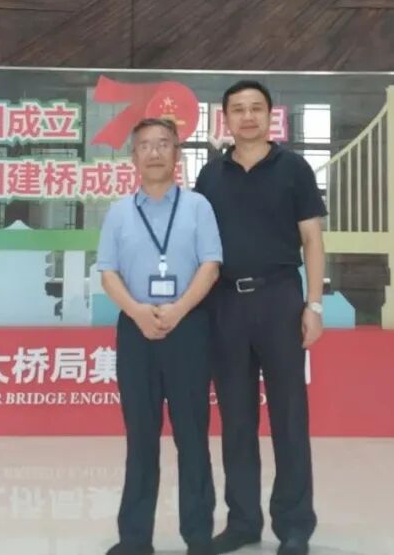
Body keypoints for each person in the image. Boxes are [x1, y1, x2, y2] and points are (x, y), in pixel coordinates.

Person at [195, 81, 326, 555]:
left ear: (271, 115)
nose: (247, 116)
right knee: (236, 418)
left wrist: (313, 305)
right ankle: (243, 522)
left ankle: (294, 525)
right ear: (226, 118)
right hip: (225, 303)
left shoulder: (294, 168)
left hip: (279, 299)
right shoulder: (210, 175)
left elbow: (312, 240)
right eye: (238, 109)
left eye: (256, 108)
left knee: (289, 415)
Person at [97, 117, 224, 555]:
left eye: (163, 144)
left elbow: (210, 265)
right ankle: (134, 538)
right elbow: (108, 273)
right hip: (136, 330)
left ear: (177, 154)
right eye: (145, 146)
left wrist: (178, 309)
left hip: (189, 328)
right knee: (141, 437)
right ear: (133, 157)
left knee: (193, 436)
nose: (154, 152)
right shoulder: (118, 212)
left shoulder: (198, 207)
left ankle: (199, 536)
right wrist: (138, 312)